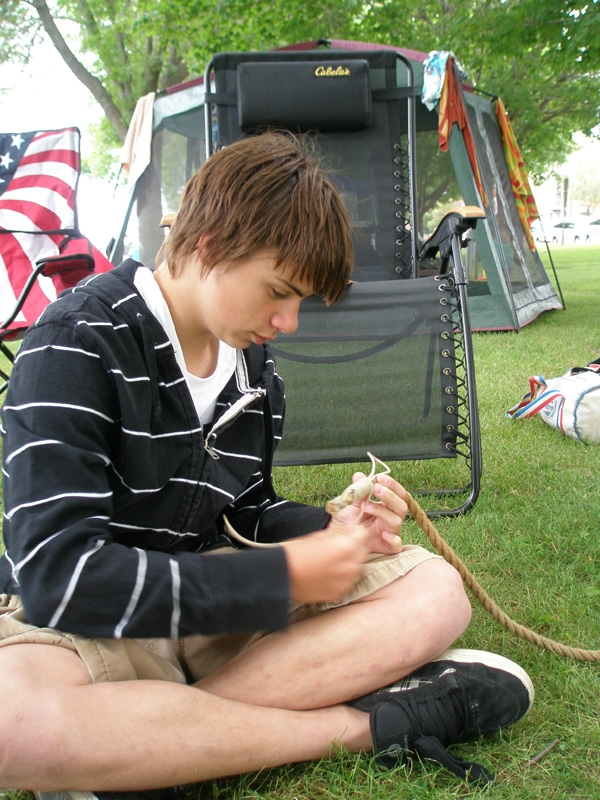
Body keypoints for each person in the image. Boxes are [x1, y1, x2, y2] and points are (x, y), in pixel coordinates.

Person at [0, 133, 533, 798]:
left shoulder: (251, 365)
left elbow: (246, 509)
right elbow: (57, 576)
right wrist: (281, 576)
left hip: (208, 618)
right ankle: (363, 726)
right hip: (89, 627)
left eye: (301, 300)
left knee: (436, 593)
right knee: (12, 726)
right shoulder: (74, 342)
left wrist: (334, 532)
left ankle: (146, 745)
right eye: (280, 291)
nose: (289, 321)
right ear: (210, 244)